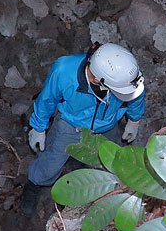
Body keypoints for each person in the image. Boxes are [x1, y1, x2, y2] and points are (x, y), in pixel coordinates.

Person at [21, 42, 146, 217]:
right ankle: (33, 186)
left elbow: (136, 97)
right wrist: (39, 127)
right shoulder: (64, 71)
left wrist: (134, 119)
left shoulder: (123, 75)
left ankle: (80, 165)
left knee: (112, 166)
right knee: (49, 166)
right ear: (96, 79)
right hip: (71, 124)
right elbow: (47, 99)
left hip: (107, 126)